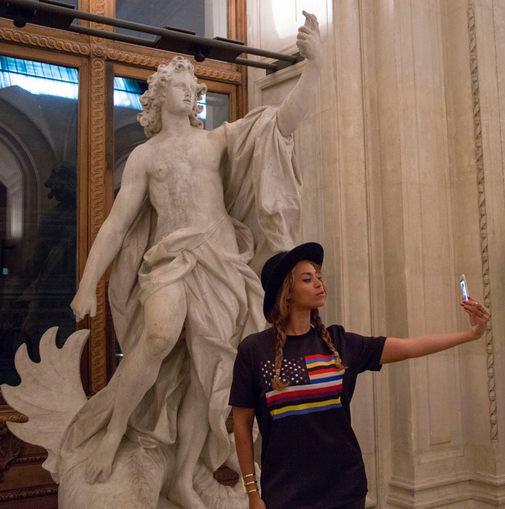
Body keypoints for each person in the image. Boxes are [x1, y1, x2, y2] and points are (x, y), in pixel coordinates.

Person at [66, 12, 323, 509]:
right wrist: (86, 284)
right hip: (168, 260)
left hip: (220, 261)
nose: (190, 93)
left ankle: (182, 477)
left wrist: (315, 67)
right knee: (159, 336)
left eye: (193, 88)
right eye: (180, 87)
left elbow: (281, 123)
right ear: (159, 96)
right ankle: (112, 432)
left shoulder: (215, 140)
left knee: (208, 374)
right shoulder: (145, 157)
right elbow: (116, 225)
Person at [229, 242, 489, 509]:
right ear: (286, 293)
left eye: (318, 276)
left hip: (344, 490)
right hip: (285, 495)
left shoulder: (340, 343)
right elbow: (242, 424)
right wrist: (252, 493)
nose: (319, 283)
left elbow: (410, 347)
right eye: (307, 279)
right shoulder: (254, 350)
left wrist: (471, 334)